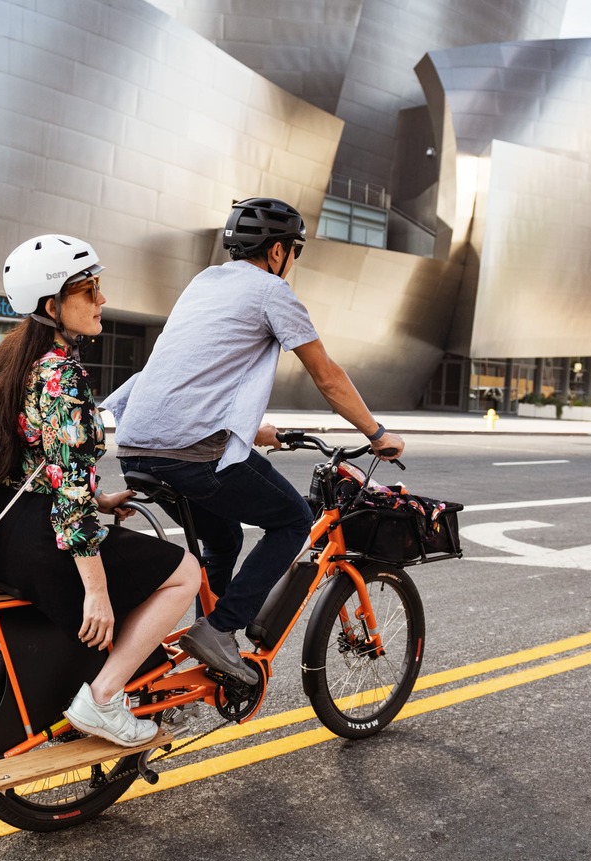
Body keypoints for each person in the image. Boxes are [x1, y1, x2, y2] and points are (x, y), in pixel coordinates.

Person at [104, 197, 405, 685]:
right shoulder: (271, 291)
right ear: (278, 251)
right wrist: (377, 433)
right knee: (294, 520)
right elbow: (327, 377)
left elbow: (197, 369)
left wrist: (253, 430)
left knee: (224, 537)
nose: (292, 262)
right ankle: (219, 629)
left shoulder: (204, 281)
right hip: (190, 455)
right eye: (295, 252)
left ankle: (201, 643)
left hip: (137, 447)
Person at [0, 234, 199, 747]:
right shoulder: (61, 375)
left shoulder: (11, 362)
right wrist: (97, 592)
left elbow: (34, 462)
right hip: (46, 547)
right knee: (185, 573)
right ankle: (104, 698)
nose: (101, 299)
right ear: (53, 306)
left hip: (2, 539)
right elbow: (69, 490)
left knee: (135, 561)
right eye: (89, 290)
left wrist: (100, 499)